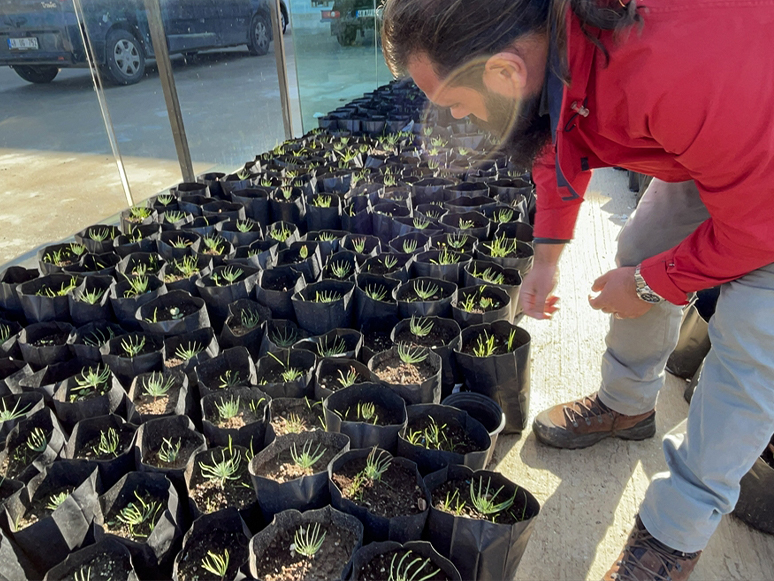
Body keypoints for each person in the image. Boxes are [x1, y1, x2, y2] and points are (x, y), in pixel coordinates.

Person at [381, 0, 774, 580]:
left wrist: (648, 285)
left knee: (750, 346)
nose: (460, 121)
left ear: (505, 72)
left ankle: (673, 535)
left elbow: (759, 227)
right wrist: (546, 259)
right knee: (642, 244)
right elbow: (557, 142)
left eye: (457, 105)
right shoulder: (560, 44)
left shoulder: (670, 63)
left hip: (760, 165)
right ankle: (626, 406)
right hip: (728, 137)